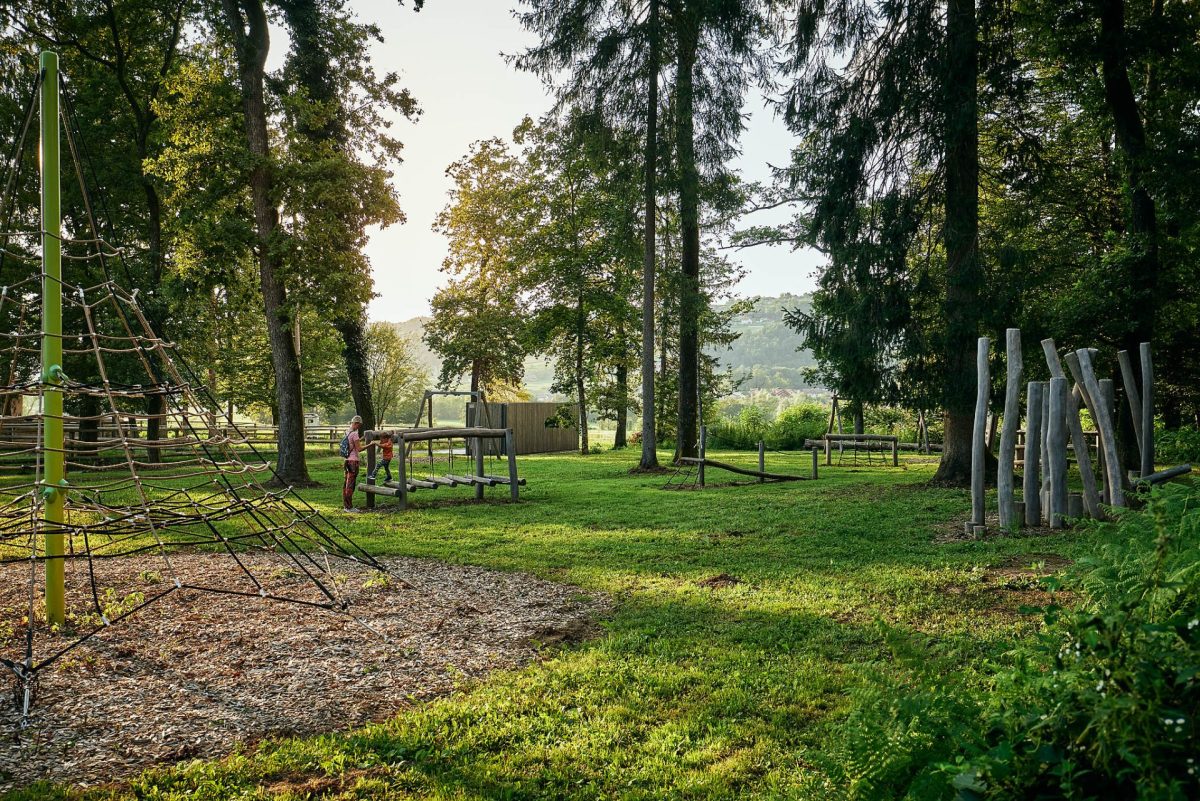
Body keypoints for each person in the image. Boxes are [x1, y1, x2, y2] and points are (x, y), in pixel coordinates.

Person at [342, 415, 363, 512]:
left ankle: (346, 505)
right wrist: (371, 444)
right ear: (356, 423)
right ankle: (349, 507)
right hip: (353, 461)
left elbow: (352, 444)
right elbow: (359, 449)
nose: (359, 427)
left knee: (346, 483)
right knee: (351, 484)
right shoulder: (354, 434)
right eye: (359, 425)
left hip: (346, 460)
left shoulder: (347, 432)